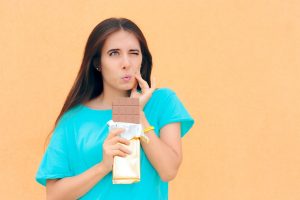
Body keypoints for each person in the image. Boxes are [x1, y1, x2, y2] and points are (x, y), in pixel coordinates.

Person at [35, 17, 194, 200]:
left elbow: (168, 171)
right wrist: (103, 167)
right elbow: (54, 195)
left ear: (143, 58)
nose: (126, 63)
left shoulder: (162, 101)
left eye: (134, 53)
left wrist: (136, 113)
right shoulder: (73, 120)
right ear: (98, 63)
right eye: (114, 53)